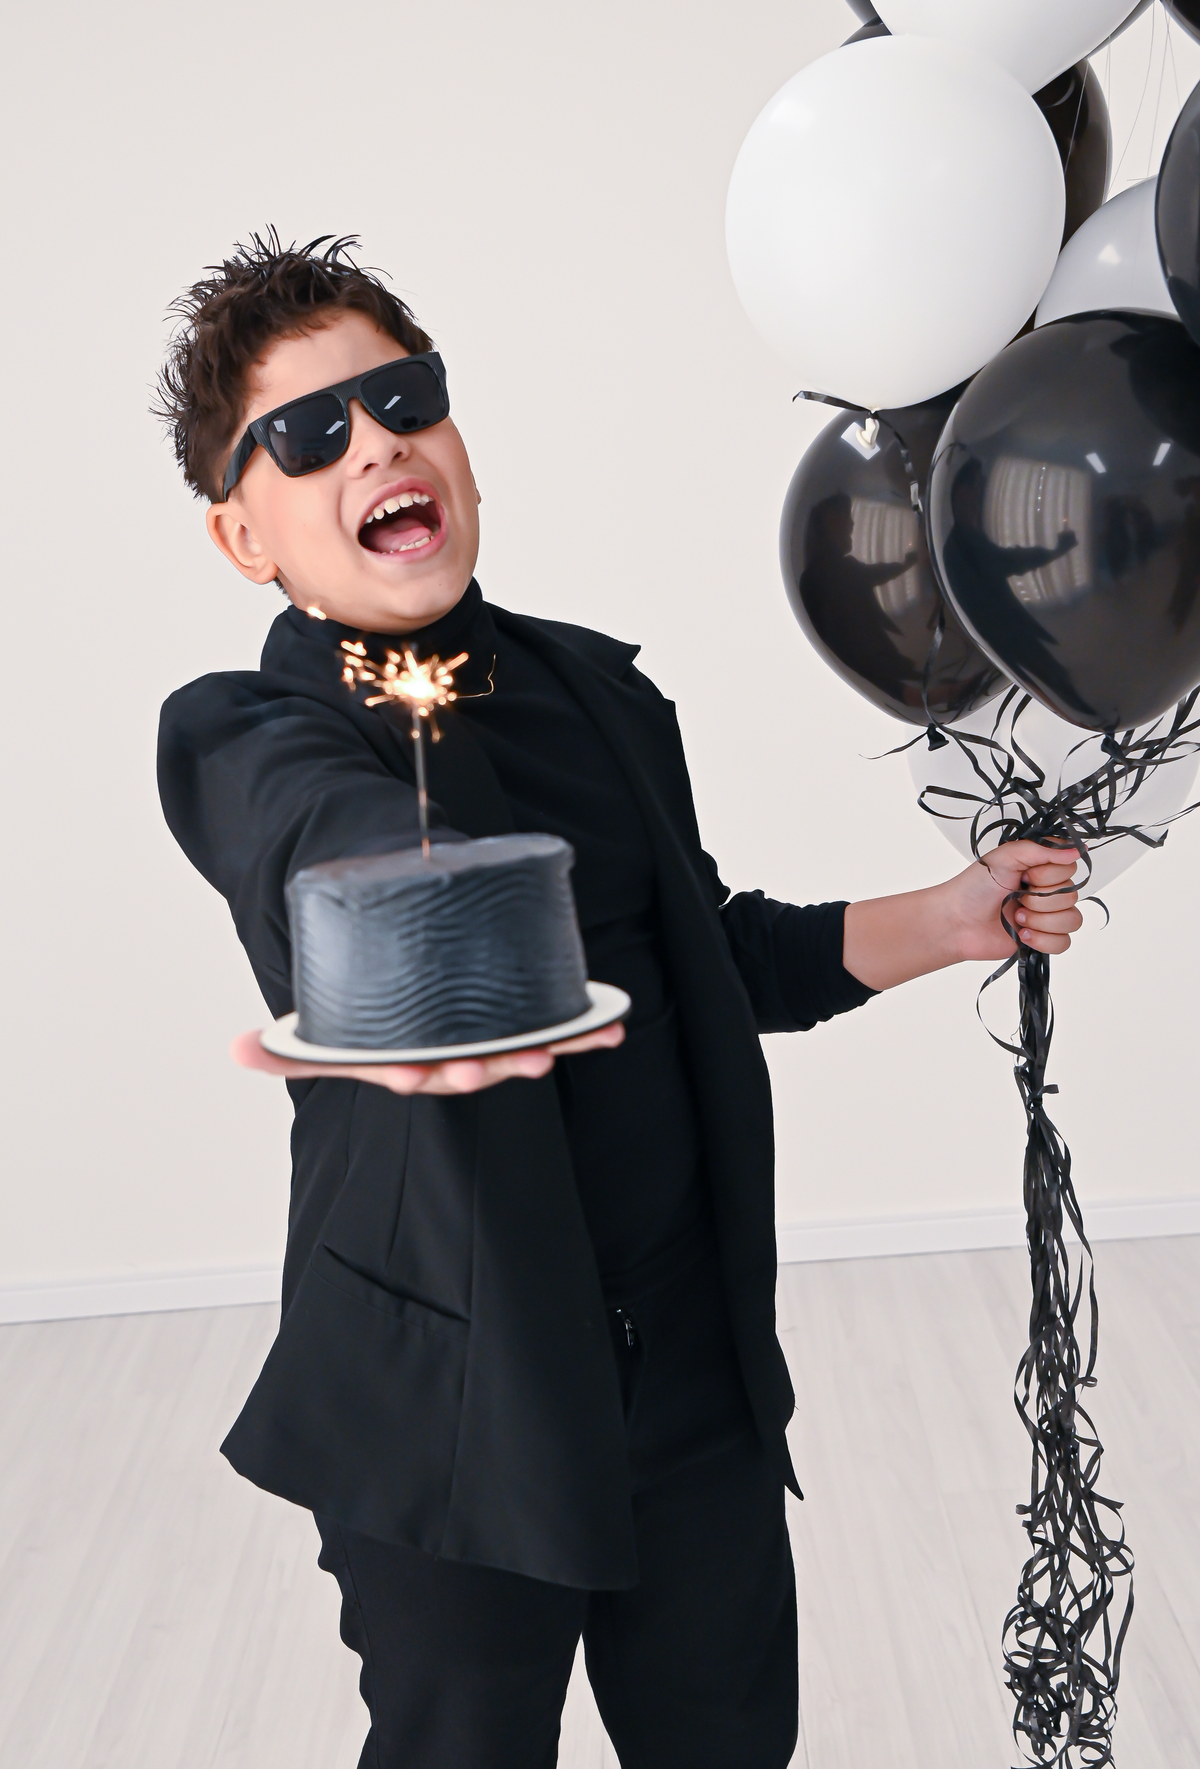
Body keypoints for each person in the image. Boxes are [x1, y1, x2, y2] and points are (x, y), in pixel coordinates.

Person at [155, 234, 1081, 1769]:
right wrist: (431, 946)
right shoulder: (244, 734)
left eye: (405, 398)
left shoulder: (602, 694)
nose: (375, 441)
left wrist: (946, 919)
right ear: (242, 534)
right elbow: (326, 836)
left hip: (692, 1373)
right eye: (309, 433)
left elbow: (706, 958)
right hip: (453, 1410)